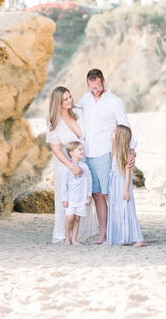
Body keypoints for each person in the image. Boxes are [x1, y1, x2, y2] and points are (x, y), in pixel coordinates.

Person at [77, 68, 136, 244]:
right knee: (96, 195)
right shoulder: (85, 99)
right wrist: (53, 118)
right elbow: (72, 114)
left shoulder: (114, 102)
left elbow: (125, 126)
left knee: (111, 195)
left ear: (103, 81)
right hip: (88, 153)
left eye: (97, 87)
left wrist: (132, 150)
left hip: (105, 152)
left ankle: (119, 233)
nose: (94, 91)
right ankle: (103, 235)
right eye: (91, 88)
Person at [46, 86, 98, 243]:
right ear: (58, 103)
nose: (69, 101)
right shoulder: (54, 123)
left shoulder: (79, 113)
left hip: (84, 162)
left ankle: (79, 235)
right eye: (65, 99)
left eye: (70, 97)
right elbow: (55, 148)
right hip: (66, 165)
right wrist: (71, 166)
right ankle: (64, 235)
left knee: (84, 198)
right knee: (67, 199)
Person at [107, 125, 146, 247]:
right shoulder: (115, 150)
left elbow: (127, 173)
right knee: (118, 210)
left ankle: (139, 239)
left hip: (123, 185)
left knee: (127, 210)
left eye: (114, 131)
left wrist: (126, 191)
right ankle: (122, 237)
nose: (111, 132)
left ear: (119, 136)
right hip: (115, 185)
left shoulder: (125, 153)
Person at [61, 141, 92, 245]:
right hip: (70, 199)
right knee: (69, 218)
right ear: (71, 153)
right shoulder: (67, 168)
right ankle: (67, 238)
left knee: (77, 218)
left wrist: (88, 195)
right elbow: (63, 185)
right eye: (79, 149)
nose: (82, 151)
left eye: (82, 149)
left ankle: (74, 239)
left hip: (81, 198)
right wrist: (64, 199)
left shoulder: (85, 167)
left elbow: (89, 182)